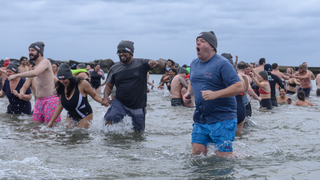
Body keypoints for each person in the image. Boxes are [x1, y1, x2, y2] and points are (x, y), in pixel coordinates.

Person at [183, 31, 243, 157]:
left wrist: (215, 94)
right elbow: (193, 80)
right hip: (201, 117)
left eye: (202, 41)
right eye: (197, 41)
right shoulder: (194, 63)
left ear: (212, 46)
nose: (198, 43)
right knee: (197, 156)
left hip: (223, 118)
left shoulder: (222, 63)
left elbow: (239, 86)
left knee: (222, 160)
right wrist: (189, 93)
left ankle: (238, 156)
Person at [101, 40, 165, 131]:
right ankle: (108, 143)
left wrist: (157, 63)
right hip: (120, 102)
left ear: (131, 52)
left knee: (138, 133)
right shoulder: (114, 68)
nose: (121, 54)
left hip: (138, 105)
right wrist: (105, 97)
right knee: (109, 119)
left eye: (124, 51)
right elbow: (108, 86)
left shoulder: (141, 63)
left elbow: (162, 64)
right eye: (119, 52)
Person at [8, 41, 61, 123]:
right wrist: (21, 93)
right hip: (39, 101)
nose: (30, 52)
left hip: (50, 100)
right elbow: (25, 86)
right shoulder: (35, 67)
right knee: (35, 130)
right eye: (29, 50)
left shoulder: (45, 62)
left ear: (39, 53)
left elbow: (35, 73)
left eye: (32, 50)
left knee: (51, 130)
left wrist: (16, 75)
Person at [47, 63, 104, 129]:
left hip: (85, 115)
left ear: (69, 77)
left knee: (79, 134)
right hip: (71, 116)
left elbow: (94, 95)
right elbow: (60, 105)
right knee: (68, 135)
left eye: (64, 79)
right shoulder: (60, 87)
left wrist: (103, 101)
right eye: (60, 79)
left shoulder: (81, 84)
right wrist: (51, 122)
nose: (62, 81)